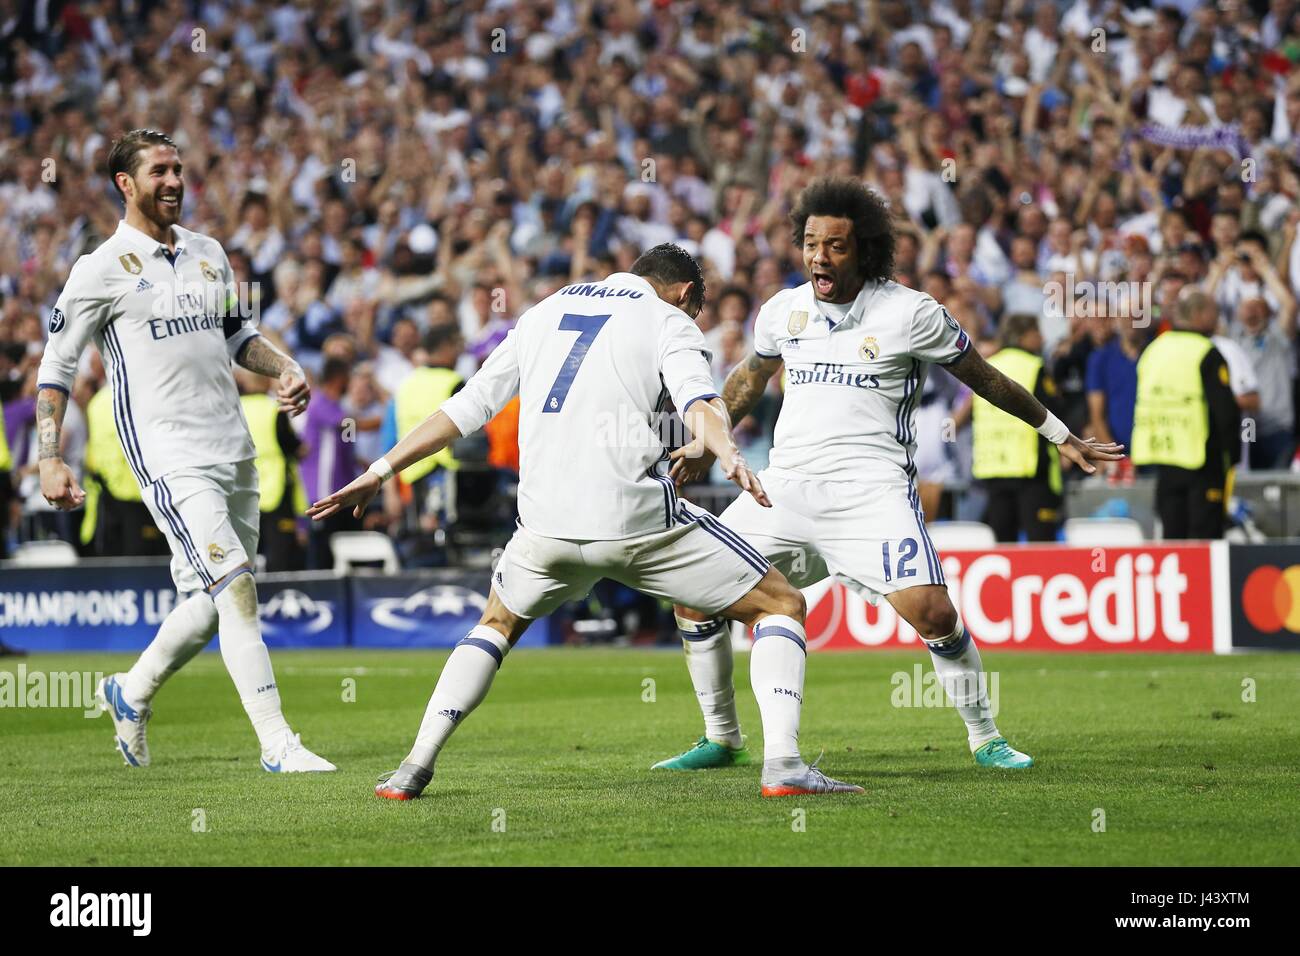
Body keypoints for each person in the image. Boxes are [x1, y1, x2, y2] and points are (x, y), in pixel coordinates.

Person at [310, 243, 861, 800]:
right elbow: (700, 402)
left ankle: (413, 765)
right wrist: (726, 451)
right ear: (687, 294)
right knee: (782, 603)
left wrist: (381, 469)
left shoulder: (545, 310)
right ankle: (784, 766)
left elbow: (468, 407)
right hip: (634, 520)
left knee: (495, 626)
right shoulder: (668, 319)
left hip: (543, 524)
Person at [662, 179, 1122, 774]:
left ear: (866, 250)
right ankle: (722, 738)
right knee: (694, 596)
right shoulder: (783, 309)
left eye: (835, 246)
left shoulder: (911, 313)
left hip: (871, 493)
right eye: (810, 243)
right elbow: (750, 379)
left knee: (933, 613)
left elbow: (986, 379)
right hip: (786, 487)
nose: (819, 257)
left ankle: (985, 737)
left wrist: (1060, 434)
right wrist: (707, 439)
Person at [36, 129, 333, 773]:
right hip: (169, 455)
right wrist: (48, 456)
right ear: (126, 184)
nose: (174, 181)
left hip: (233, 448)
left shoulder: (208, 253)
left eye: (179, 169)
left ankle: (129, 691)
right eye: (160, 171)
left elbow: (236, 333)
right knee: (237, 587)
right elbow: (56, 367)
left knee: (208, 603)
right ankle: (278, 744)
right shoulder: (100, 268)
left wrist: (282, 367)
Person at [1131, 290, 1242, 539]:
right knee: (1206, 540)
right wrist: (1232, 456)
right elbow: (1225, 411)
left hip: (1163, 459)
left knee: (1174, 539)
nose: (1217, 319)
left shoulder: (1153, 350)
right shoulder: (1206, 351)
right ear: (1200, 314)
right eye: (1214, 312)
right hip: (1201, 459)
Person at [973, 313, 1067, 542]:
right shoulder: (1034, 366)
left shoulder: (986, 366)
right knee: (1041, 546)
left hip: (993, 467)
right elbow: (1054, 413)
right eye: (1037, 333)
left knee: (1004, 547)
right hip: (1031, 470)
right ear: (1025, 335)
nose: (1043, 338)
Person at [237, 369, 308, 572]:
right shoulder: (275, 409)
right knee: (281, 556)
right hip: (276, 491)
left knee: (245, 557)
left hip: (243, 492)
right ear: (267, 381)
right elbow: (292, 445)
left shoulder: (234, 409)